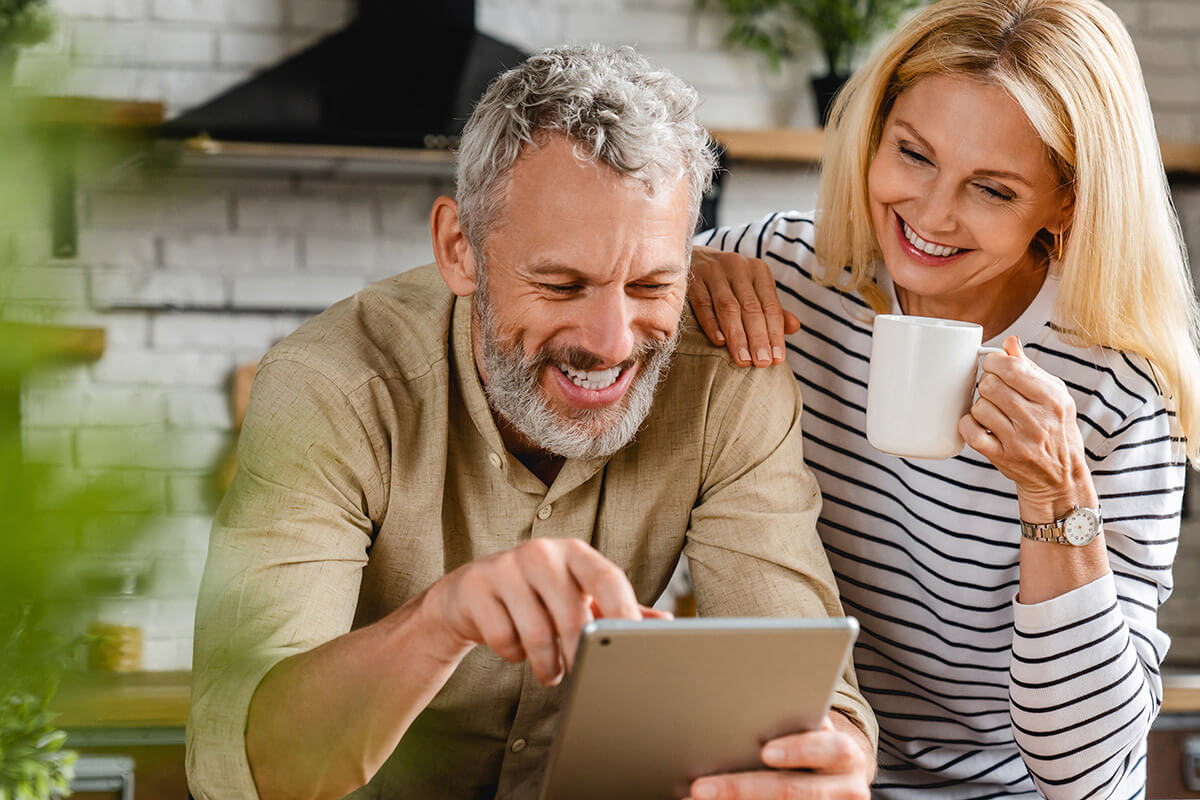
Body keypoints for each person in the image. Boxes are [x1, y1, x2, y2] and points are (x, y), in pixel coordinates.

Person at [186, 45, 877, 800]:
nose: (612, 343)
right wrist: (440, 619)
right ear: (461, 249)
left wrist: (829, 758)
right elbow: (247, 768)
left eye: (650, 283)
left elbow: (807, 692)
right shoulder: (332, 388)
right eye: (560, 283)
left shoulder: (728, 379)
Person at [688, 0, 1200, 797]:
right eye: (914, 154)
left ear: (1065, 203)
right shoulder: (783, 272)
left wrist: (1056, 493)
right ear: (875, 129)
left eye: (992, 190)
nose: (929, 215)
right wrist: (671, 272)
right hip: (803, 774)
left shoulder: (1119, 388)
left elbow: (1087, 774)